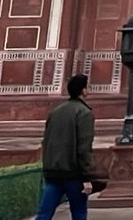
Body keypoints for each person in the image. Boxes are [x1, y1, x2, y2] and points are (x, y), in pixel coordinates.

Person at [37, 74, 96, 219]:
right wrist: (87, 177)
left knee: (44, 214)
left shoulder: (56, 111)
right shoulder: (84, 113)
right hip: (73, 173)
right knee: (79, 213)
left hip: (52, 171)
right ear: (83, 90)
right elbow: (84, 147)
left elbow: (46, 141)